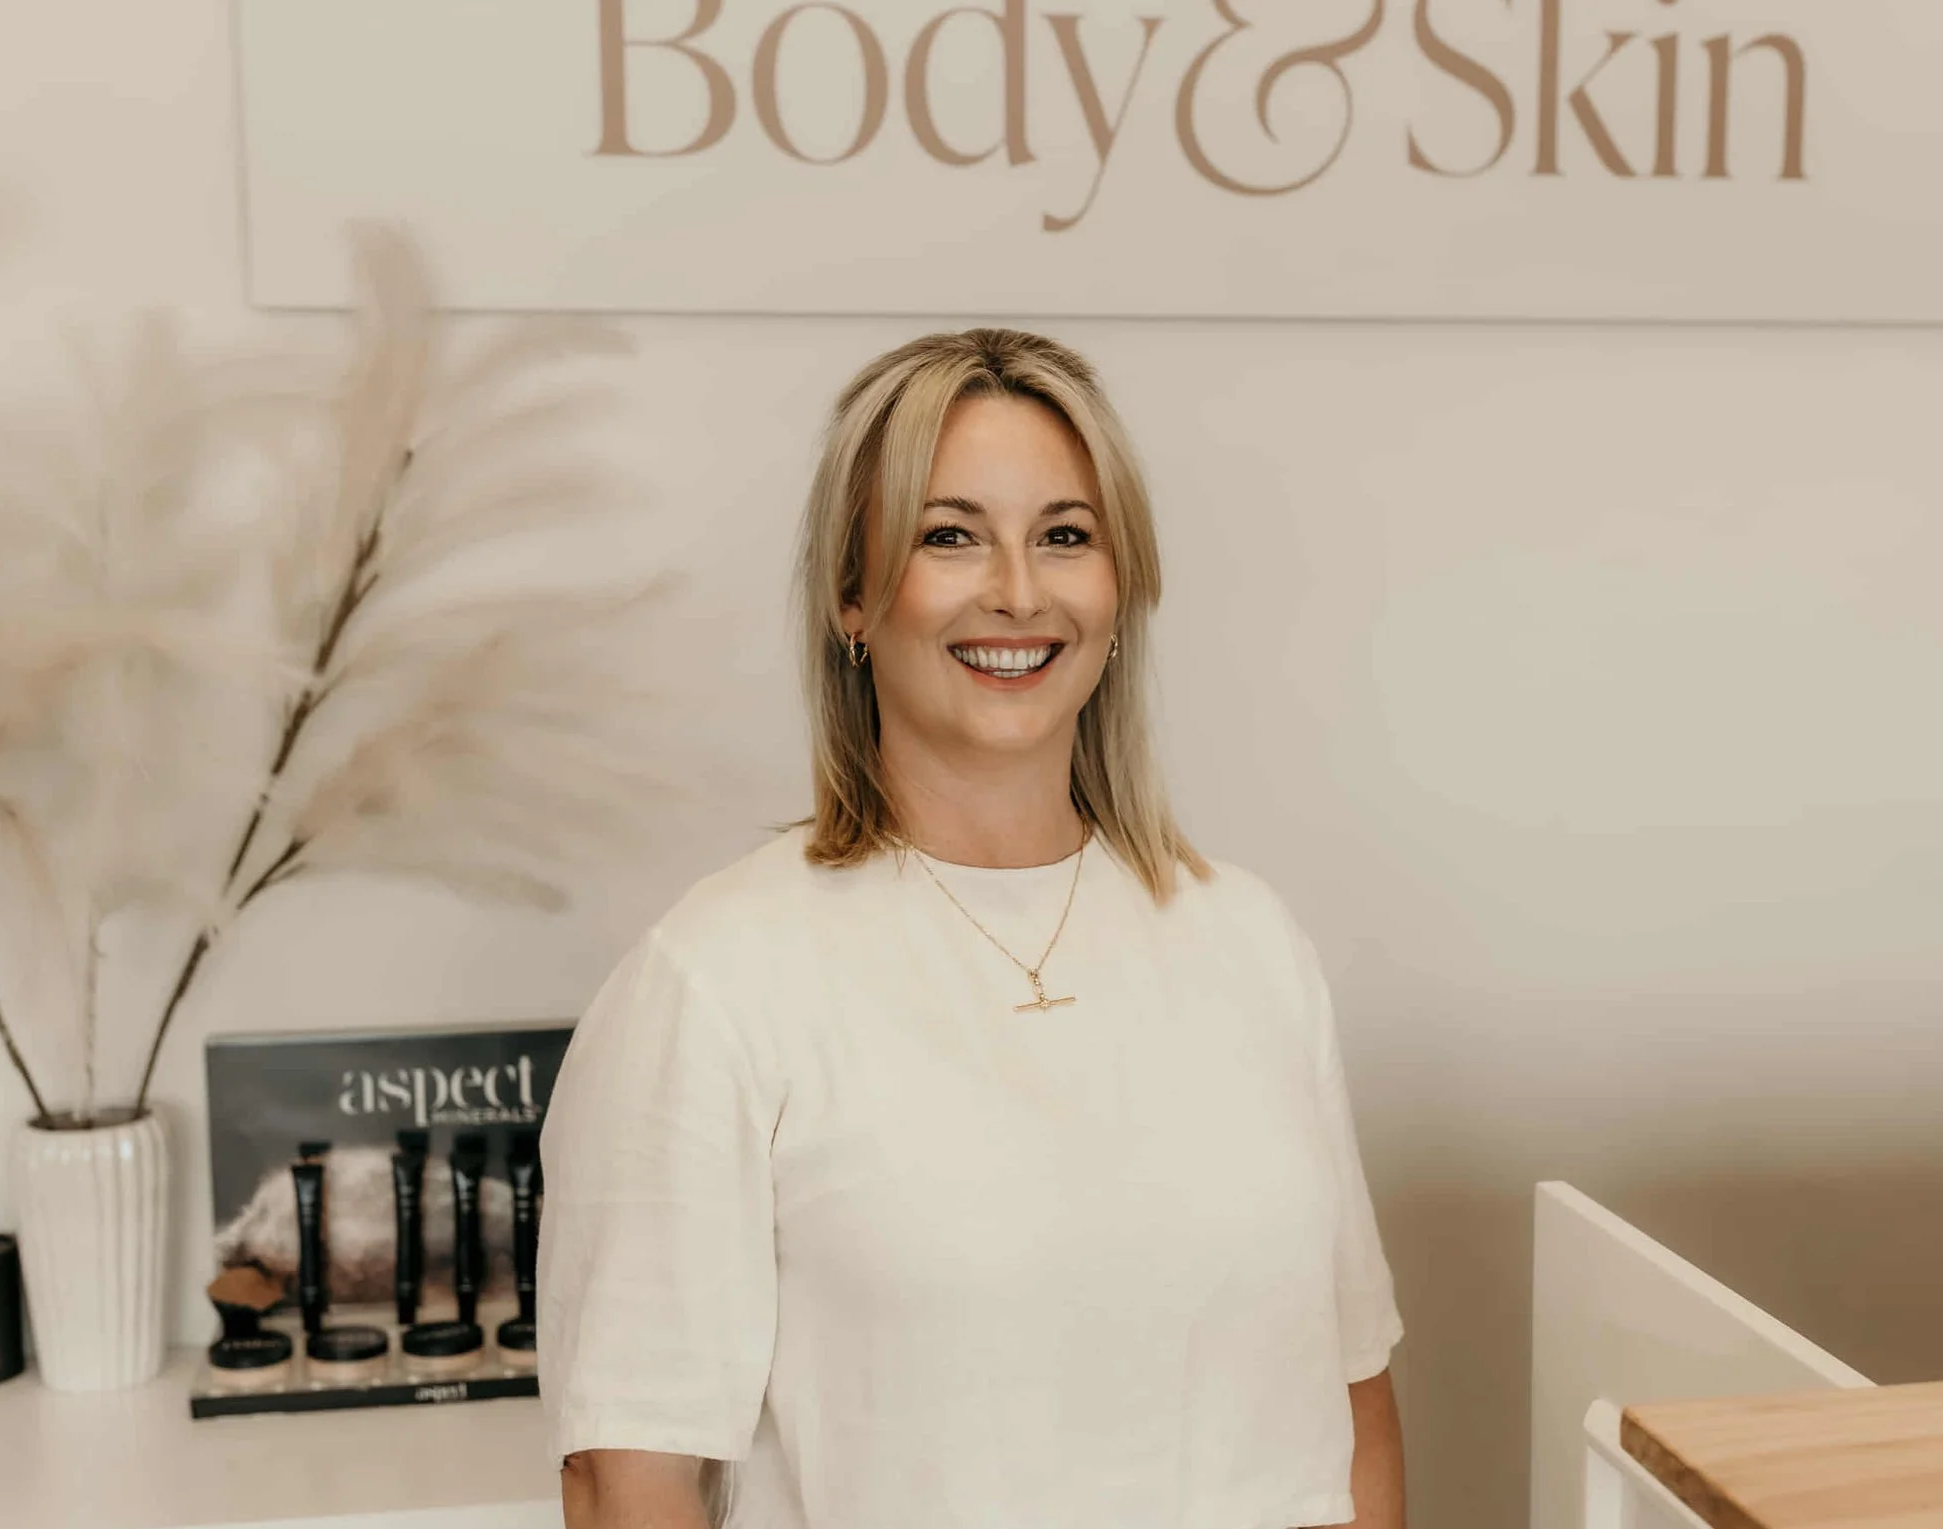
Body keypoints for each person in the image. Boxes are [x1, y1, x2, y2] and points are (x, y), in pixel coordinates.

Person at [538, 329, 1406, 1529]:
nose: (1019, 590)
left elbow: (1352, 1391)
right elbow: (627, 1474)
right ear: (852, 594)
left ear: (1122, 588)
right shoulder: (718, 981)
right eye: (949, 535)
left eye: (1066, 533)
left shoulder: (1247, 939)